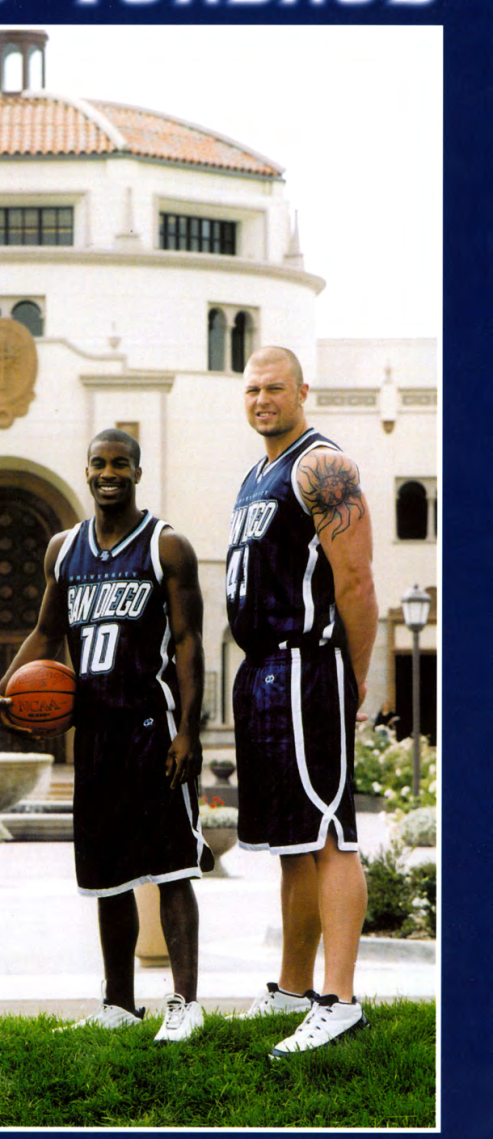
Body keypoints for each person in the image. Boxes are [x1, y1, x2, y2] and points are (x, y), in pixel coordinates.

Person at [0, 430, 208, 1042]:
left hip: (151, 721)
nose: (108, 473)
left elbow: (189, 641)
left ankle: (184, 1002)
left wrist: (189, 729)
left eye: (120, 464)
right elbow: (46, 630)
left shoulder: (167, 546)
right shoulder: (64, 549)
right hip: (95, 730)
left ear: (138, 472)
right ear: (85, 472)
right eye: (98, 464)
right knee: (107, 872)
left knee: (170, 867)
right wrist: (6, 687)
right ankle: (118, 1003)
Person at [229, 347, 378, 1057]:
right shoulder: (257, 475)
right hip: (261, 671)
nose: (262, 399)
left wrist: (356, 677)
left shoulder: (323, 467)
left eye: (275, 388)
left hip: (306, 664)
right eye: (253, 389)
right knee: (290, 843)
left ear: (302, 391)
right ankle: (291, 988)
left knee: (328, 833)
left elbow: (355, 580)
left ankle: (339, 999)